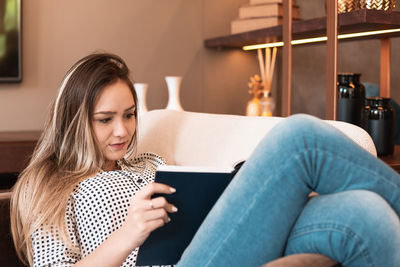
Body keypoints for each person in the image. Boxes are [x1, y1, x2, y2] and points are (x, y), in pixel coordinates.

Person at [10, 53, 400, 267]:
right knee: (296, 139)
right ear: (74, 119)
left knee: (361, 212)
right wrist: (130, 232)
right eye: (105, 119)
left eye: (129, 115)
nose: (123, 131)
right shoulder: (47, 185)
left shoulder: (148, 163)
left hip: (210, 247)